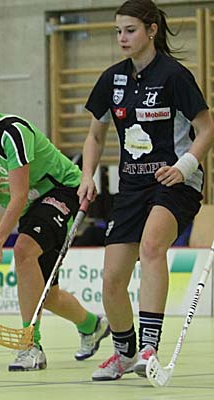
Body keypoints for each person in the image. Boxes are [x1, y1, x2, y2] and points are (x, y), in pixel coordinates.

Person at [79, 0, 214, 382]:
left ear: (152, 30)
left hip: (176, 182)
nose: (122, 38)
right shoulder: (112, 79)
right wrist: (87, 175)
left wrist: (185, 166)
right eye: (118, 31)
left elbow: (207, 128)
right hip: (131, 186)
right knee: (112, 278)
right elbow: (95, 135)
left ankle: (149, 347)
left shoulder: (174, 76)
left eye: (130, 30)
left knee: (152, 245)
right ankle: (124, 353)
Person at [0, 78, 110, 371]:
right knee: (46, 295)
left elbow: (19, 193)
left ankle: (29, 346)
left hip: (62, 190)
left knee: (23, 251)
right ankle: (92, 325)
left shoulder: (12, 133)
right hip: (29, 208)